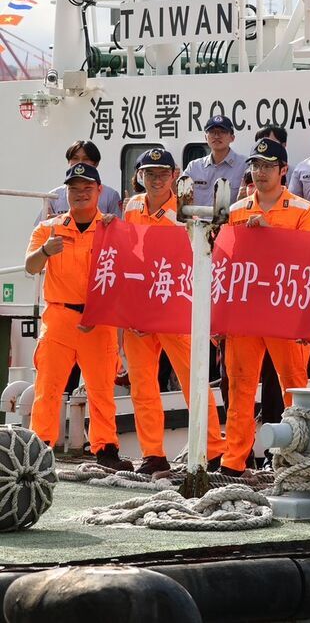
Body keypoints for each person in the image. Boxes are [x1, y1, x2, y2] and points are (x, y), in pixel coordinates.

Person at [120, 148, 226, 474]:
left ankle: (212, 449)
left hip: (175, 308)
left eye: (162, 173)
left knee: (193, 380)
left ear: (174, 175)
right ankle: (153, 454)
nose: (156, 180)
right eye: (150, 174)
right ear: (140, 176)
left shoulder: (185, 212)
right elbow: (127, 255)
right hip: (140, 309)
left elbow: (199, 258)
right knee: (142, 385)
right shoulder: (132, 207)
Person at [25, 162, 133, 471]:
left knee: (101, 389)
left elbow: (125, 275)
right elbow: (31, 267)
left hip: (98, 318)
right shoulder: (48, 229)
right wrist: (46, 251)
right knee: (47, 388)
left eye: (87, 188)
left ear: (99, 191)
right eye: (74, 189)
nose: (81, 194)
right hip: (59, 317)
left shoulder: (112, 229)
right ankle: (40, 448)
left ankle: (106, 449)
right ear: (66, 192)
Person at [220, 139, 310, 477]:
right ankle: (234, 461)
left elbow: (308, 258)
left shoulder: (303, 210)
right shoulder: (236, 211)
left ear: (283, 170)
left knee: (293, 386)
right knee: (240, 386)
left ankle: (298, 458)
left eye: (267, 166)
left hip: (284, 311)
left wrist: (270, 233)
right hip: (245, 312)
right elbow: (225, 264)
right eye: (256, 165)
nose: (260, 172)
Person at [35, 140, 122, 223]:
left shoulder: (111, 195)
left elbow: (118, 225)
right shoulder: (53, 196)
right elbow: (41, 226)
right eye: (75, 158)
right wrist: (53, 222)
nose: (80, 163)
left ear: (96, 163)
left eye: (86, 159)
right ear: (68, 162)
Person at [183, 114, 248, 207]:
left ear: (232, 138)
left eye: (222, 131)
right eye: (212, 132)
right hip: (197, 217)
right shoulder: (194, 167)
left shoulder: (245, 166)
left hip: (231, 217)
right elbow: (181, 199)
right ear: (206, 137)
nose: (217, 136)